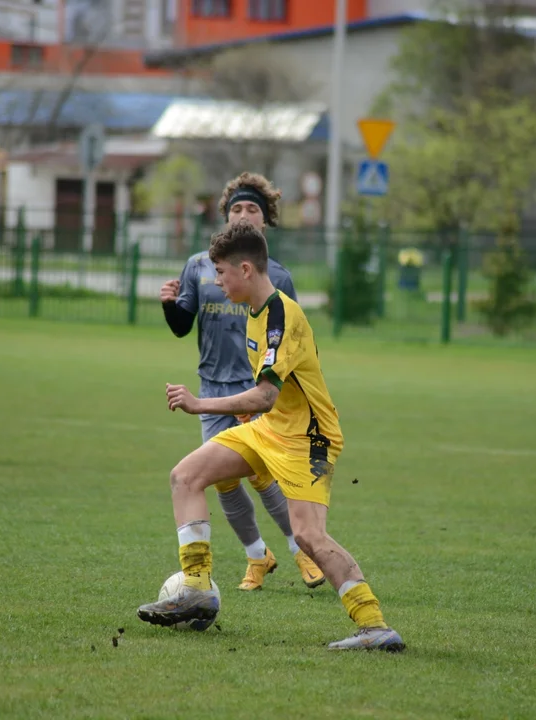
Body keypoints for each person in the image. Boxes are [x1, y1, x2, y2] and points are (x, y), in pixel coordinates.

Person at [138, 220, 405, 652]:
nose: (217, 281)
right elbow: (268, 398)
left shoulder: (281, 314)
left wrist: (198, 403)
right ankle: (196, 589)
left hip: (311, 438)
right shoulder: (255, 310)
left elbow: (264, 395)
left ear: (245, 269)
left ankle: (375, 626)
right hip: (270, 429)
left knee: (308, 536)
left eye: (221, 272)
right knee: (186, 476)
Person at [159, 172, 324, 592]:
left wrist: (269, 393)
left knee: (262, 472)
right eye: (237, 208)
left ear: (266, 220)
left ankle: (299, 549)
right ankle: (256, 555)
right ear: (224, 214)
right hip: (213, 384)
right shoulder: (200, 266)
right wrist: (168, 306)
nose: (244, 215)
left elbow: (289, 339)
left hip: (255, 390)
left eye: (253, 208)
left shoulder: (278, 277)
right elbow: (182, 324)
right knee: (221, 479)